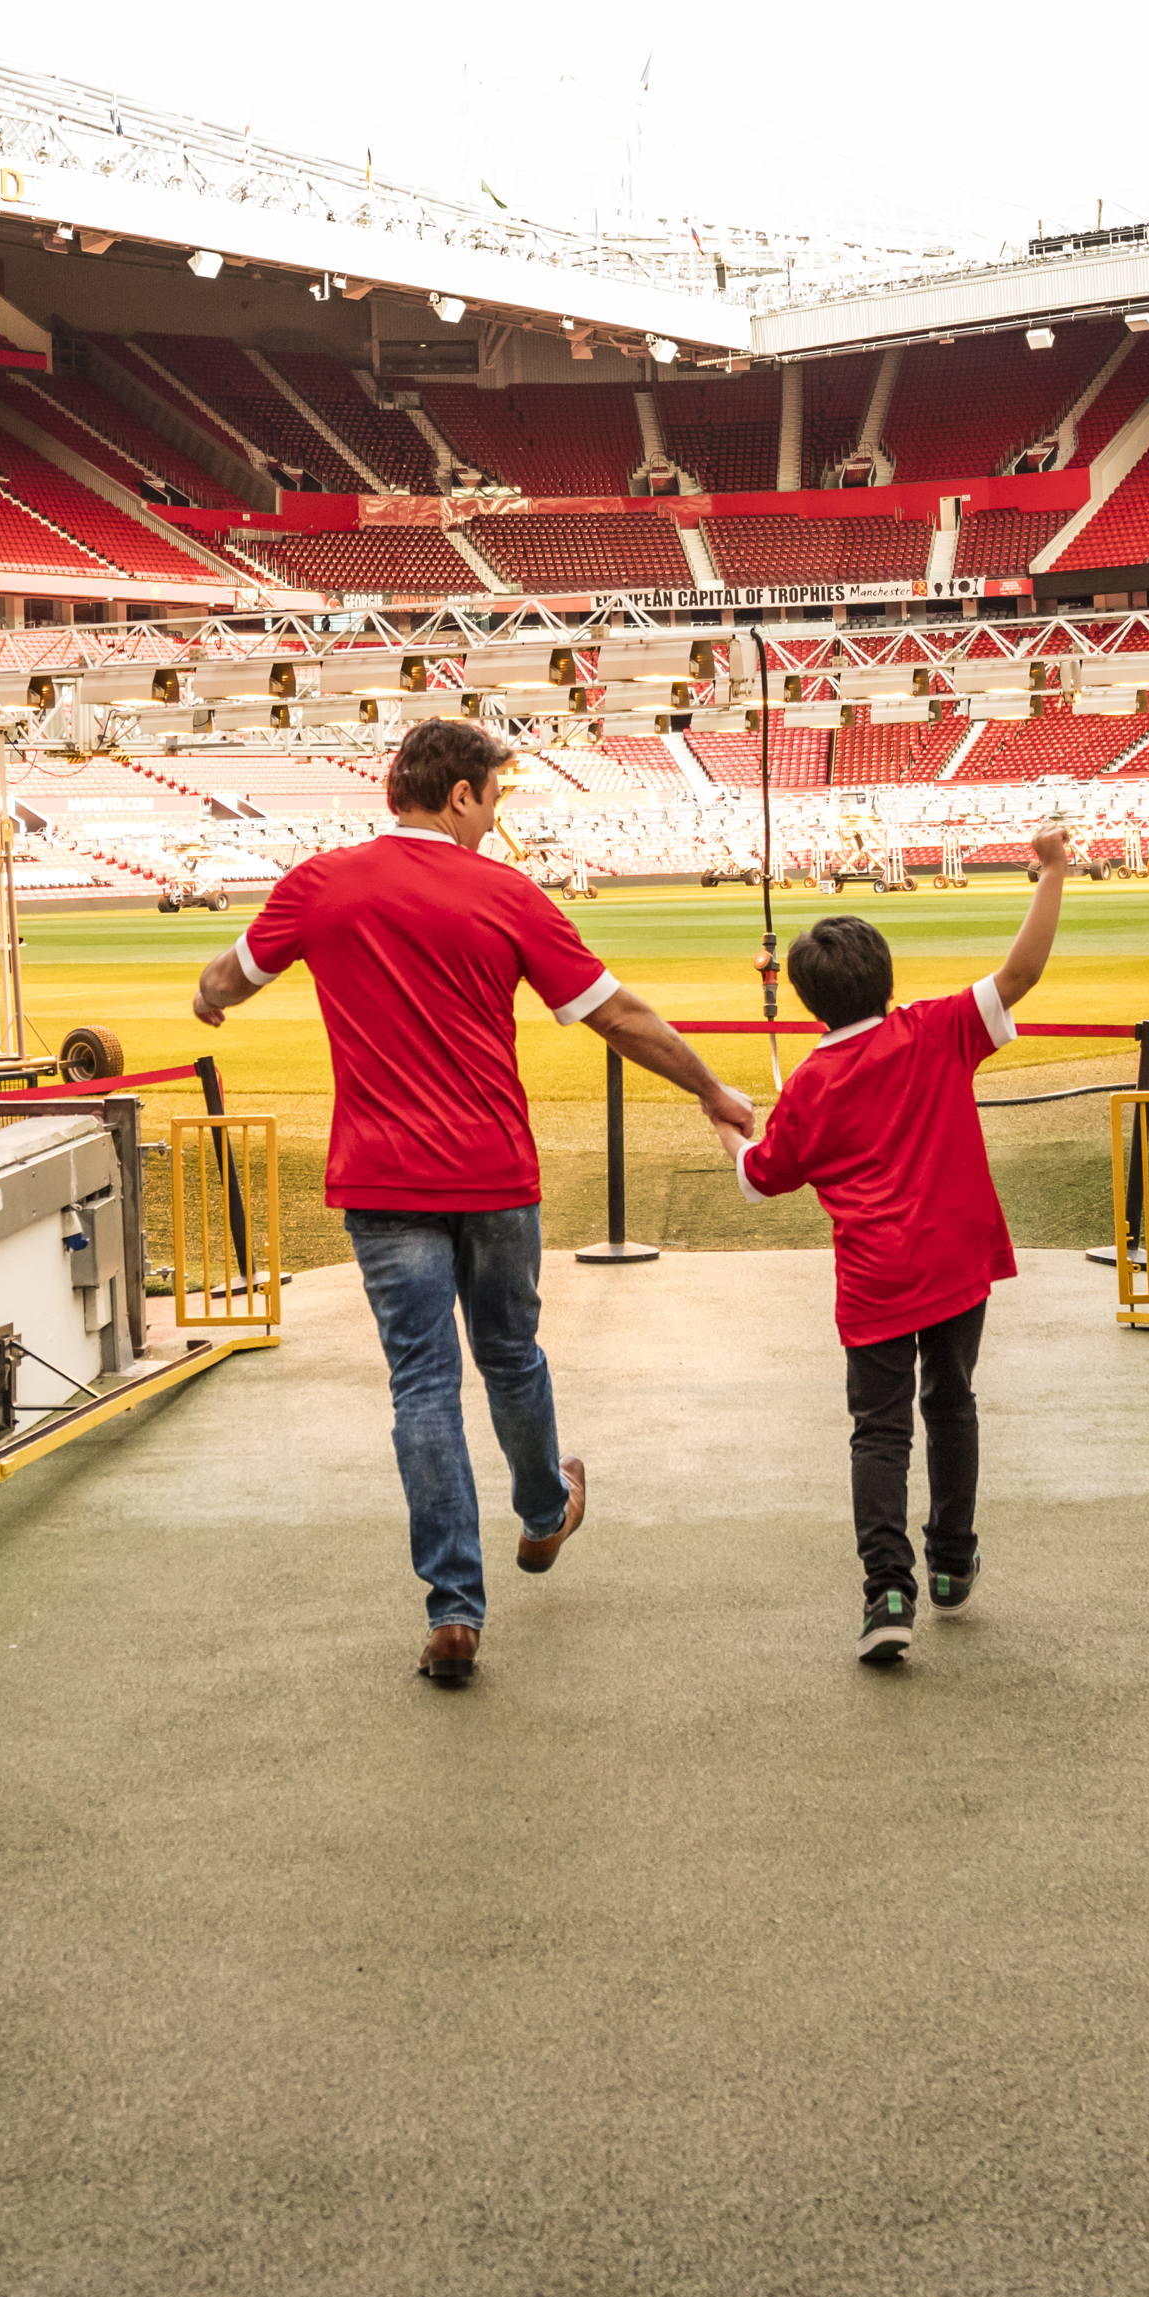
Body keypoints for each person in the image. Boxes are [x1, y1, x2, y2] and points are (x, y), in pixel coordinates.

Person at [192, 715, 753, 1686]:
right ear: (459, 793)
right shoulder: (506, 892)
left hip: (379, 1176)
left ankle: (453, 1610)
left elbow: (226, 978)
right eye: (492, 797)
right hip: (492, 1170)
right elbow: (616, 1015)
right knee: (509, 1355)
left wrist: (207, 999)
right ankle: (543, 1511)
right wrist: (710, 1087)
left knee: (422, 1385)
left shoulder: (318, 883)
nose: (495, 818)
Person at [728, 821, 1073, 1664]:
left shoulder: (809, 1082)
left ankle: (887, 1591)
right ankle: (951, 1562)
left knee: (879, 1433)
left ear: (808, 998)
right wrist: (1053, 871)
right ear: (884, 976)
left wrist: (730, 1127)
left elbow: (760, 1177)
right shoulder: (933, 1029)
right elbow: (1021, 972)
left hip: (875, 1281)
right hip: (956, 1265)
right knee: (951, 1403)